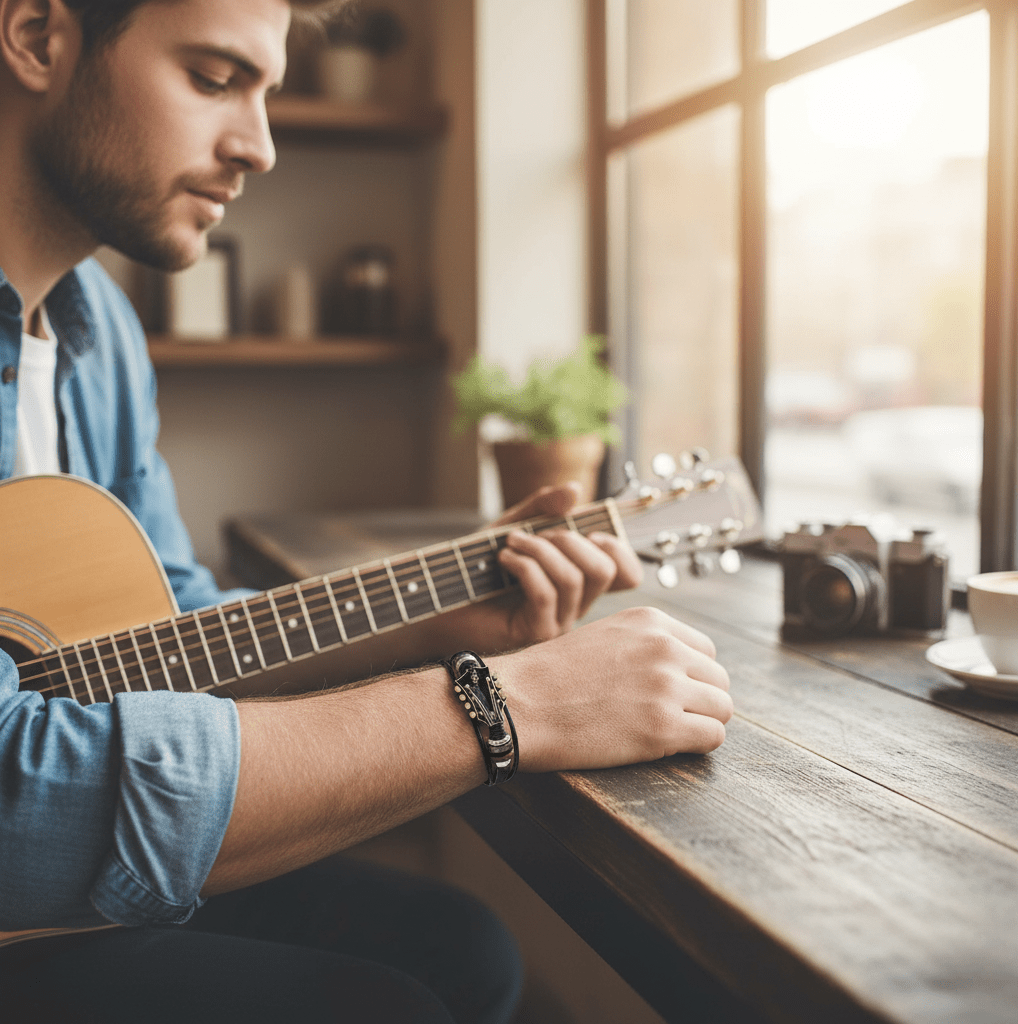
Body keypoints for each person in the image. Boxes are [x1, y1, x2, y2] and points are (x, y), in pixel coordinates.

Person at [0, 0, 734, 1021]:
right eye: (214, 78)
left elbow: (158, 630)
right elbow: (16, 784)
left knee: (458, 947)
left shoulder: (100, 331)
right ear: (39, 36)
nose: (257, 146)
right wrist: (516, 704)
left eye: (267, 92)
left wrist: (432, 624)